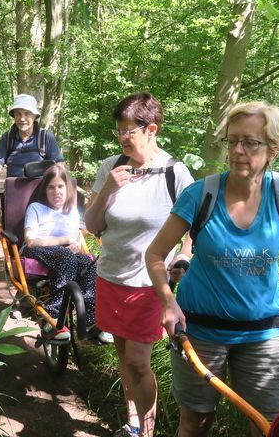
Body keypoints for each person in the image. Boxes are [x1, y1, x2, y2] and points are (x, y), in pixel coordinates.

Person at [145, 101, 279, 437]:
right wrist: (168, 302)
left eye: (250, 142)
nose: (237, 150)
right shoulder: (200, 195)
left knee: (268, 426)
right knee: (195, 422)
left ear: (273, 149)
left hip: (265, 335)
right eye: (232, 140)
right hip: (200, 331)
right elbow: (156, 255)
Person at [84, 92, 194, 437]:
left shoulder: (175, 173)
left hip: (150, 284)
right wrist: (107, 190)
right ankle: (132, 422)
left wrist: (184, 255)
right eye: (118, 131)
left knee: (137, 362)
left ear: (152, 129)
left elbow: (196, 224)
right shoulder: (111, 166)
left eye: (128, 131)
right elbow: (92, 224)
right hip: (110, 276)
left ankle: (147, 432)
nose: (122, 138)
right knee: (123, 358)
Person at [22, 164, 112, 343]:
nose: (56, 191)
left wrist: (76, 244)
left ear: (67, 188)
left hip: (64, 253)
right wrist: (65, 240)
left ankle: (90, 321)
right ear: (45, 190)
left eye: (61, 186)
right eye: (51, 187)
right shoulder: (36, 208)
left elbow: (80, 235)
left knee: (87, 262)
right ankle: (52, 318)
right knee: (66, 257)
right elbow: (31, 240)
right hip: (37, 249)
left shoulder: (72, 211)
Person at [0, 93, 64, 183]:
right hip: (14, 192)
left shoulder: (45, 137)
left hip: (41, 192)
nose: (22, 118)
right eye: (18, 114)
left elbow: (59, 165)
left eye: (27, 114)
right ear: (14, 116)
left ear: (34, 116)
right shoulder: (8, 138)